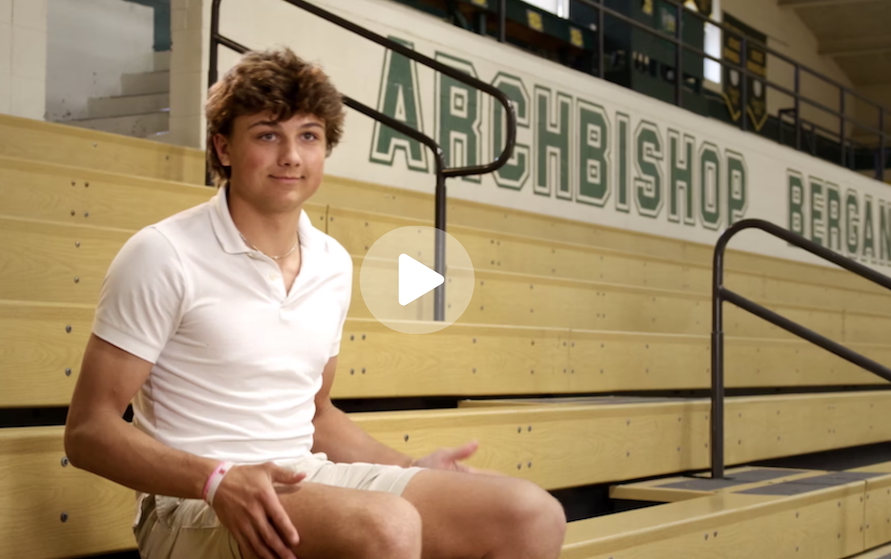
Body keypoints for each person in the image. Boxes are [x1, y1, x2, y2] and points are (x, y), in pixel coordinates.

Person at [64, 48, 566, 559]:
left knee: (530, 514)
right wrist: (216, 479)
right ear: (224, 147)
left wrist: (409, 467)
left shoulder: (331, 261)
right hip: (190, 503)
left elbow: (317, 414)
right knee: (388, 526)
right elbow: (87, 431)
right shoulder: (162, 253)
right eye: (267, 135)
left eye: (308, 136)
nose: (291, 156)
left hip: (302, 479)